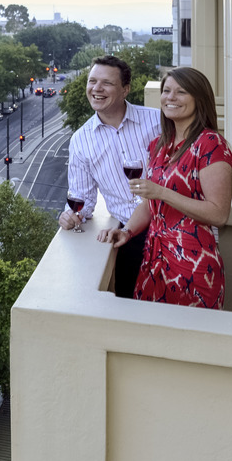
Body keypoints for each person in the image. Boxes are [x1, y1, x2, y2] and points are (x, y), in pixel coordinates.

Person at [100, 67, 232, 308]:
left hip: (192, 264)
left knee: (188, 340)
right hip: (153, 260)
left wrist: (161, 192)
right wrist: (127, 231)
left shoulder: (210, 143)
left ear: (199, 99)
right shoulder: (159, 145)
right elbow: (150, 206)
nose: (170, 97)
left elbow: (219, 213)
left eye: (181, 92)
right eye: (167, 91)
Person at [59, 55, 161, 297]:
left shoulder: (157, 121)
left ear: (125, 89)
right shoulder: (81, 140)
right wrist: (71, 215)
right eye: (92, 81)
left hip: (173, 228)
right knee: (132, 310)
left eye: (106, 83)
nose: (97, 88)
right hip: (130, 237)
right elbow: (81, 198)